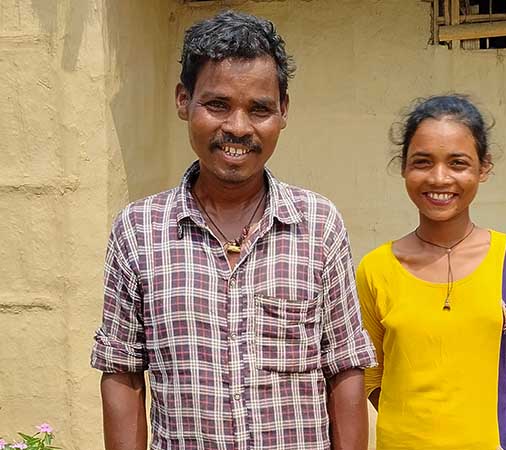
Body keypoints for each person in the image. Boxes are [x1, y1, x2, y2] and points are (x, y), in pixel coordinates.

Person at [90, 11, 376, 450]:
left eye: (259, 109)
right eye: (217, 104)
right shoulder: (139, 230)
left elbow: (344, 367)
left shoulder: (318, 224)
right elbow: (123, 371)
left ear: (282, 111)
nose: (238, 128)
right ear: (184, 100)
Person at [357, 94, 506, 450]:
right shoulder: (375, 269)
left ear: (483, 167)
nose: (439, 178)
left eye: (458, 163)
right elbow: (370, 376)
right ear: (403, 167)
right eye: (423, 162)